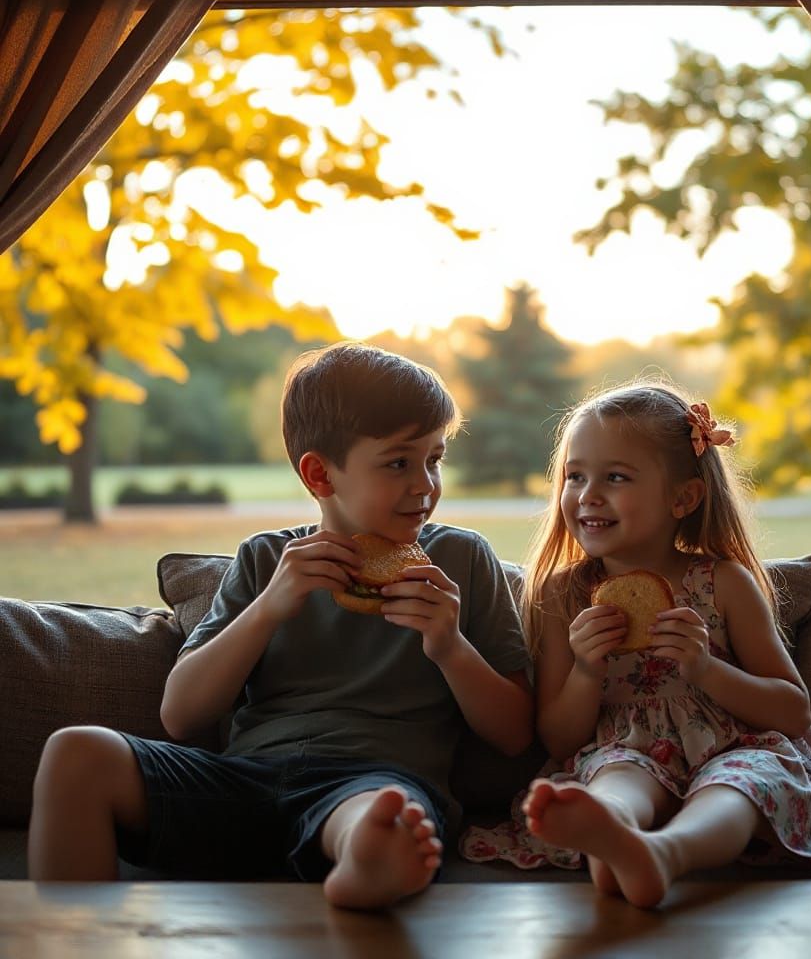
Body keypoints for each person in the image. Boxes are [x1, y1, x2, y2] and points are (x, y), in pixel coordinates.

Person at [29, 342, 533, 909]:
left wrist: (449, 646)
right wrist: (268, 608)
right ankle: (64, 939)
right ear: (320, 474)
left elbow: (514, 735)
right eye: (398, 462)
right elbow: (180, 714)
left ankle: (365, 862)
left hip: (370, 784)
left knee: (384, 815)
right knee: (76, 753)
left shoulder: (461, 562)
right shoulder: (268, 560)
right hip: (242, 784)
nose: (425, 485)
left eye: (434, 459)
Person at [461, 379, 811, 907]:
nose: (588, 494)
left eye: (615, 477)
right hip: (625, 751)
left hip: (737, 748)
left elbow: (792, 711)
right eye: (575, 476)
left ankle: (667, 853)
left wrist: (706, 668)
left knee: (740, 785)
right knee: (617, 778)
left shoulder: (724, 583)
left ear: (683, 497)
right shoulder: (564, 593)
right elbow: (559, 739)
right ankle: (612, 829)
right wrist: (587, 671)